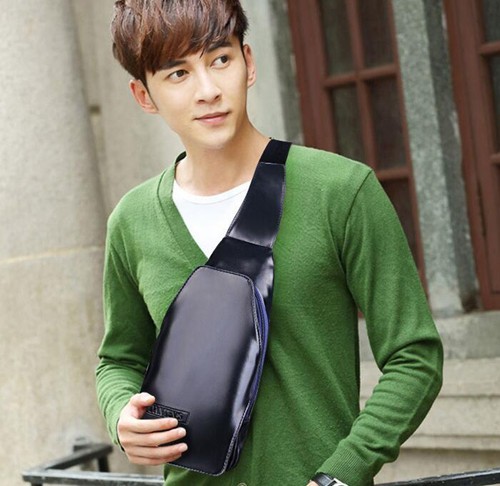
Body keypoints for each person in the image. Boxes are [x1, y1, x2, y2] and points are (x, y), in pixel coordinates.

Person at [95, 1, 443, 485]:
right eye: (178, 74)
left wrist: (342, 473)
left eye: (220, 59)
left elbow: (415, 356)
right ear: (144, 95)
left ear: (249, 62)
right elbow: (119, 359)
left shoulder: (341, 191)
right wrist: (120, 414)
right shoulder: (133, 221)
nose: (208, 90)